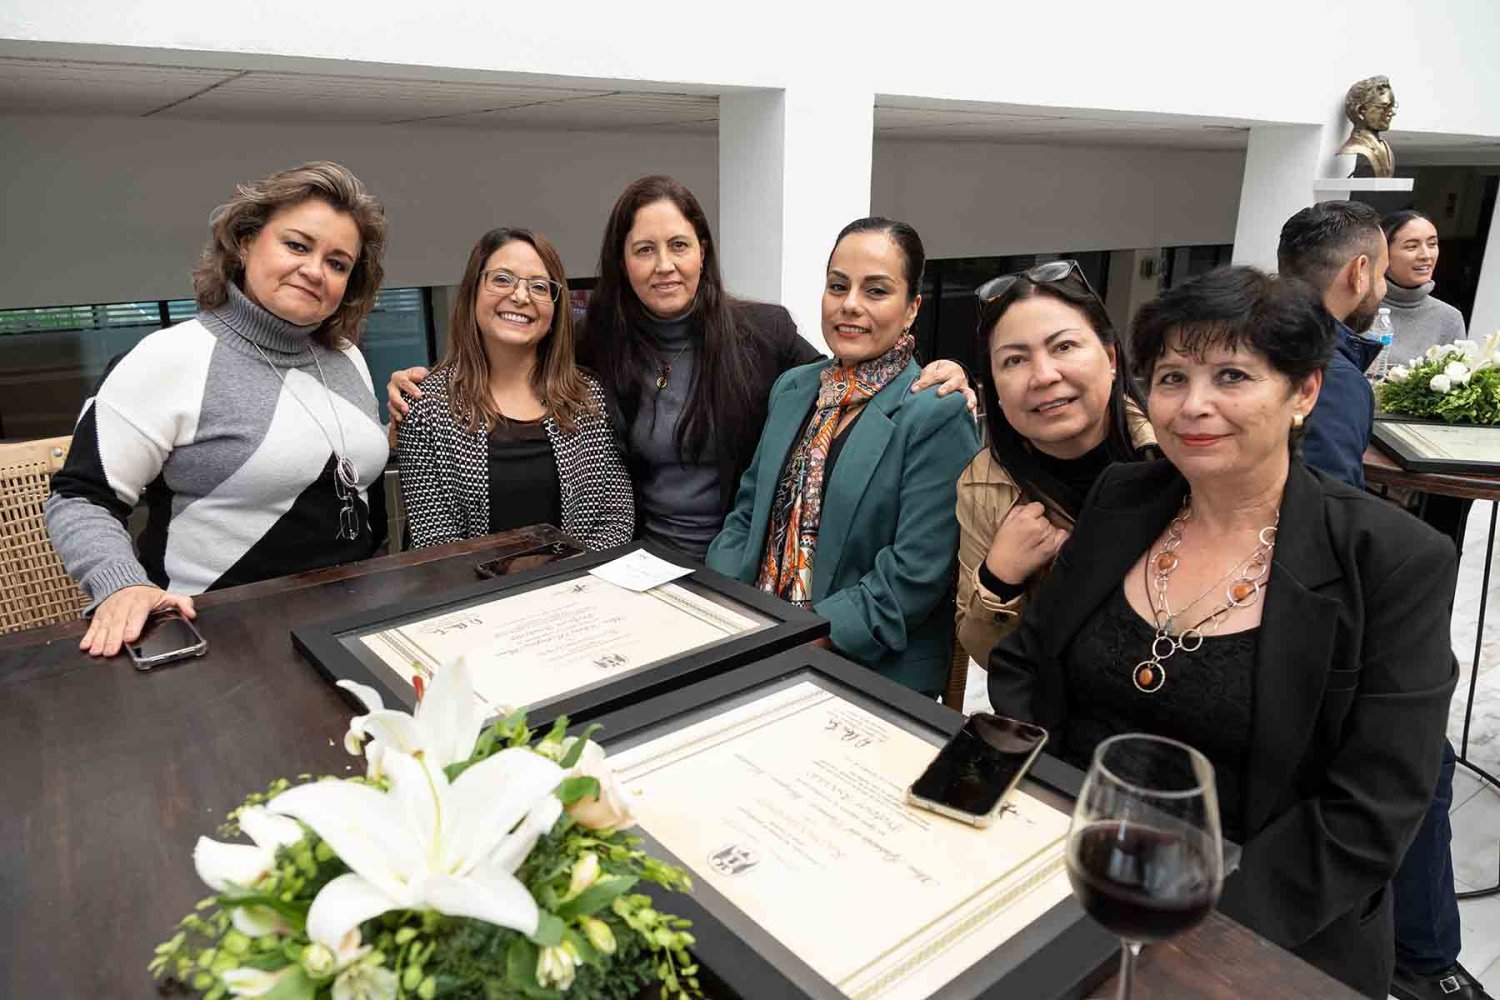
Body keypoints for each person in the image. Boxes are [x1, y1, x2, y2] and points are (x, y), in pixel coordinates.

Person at [988, 267, 1457, 998]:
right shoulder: (1125, 497)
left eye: (1232, 375)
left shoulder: (1391, 560)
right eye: (1172, 378)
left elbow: (1372, 811)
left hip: (1260, 932)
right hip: (1070, 880)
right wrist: (1044, 819)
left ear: (1304, 392)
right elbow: (1026, 662)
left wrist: (1190, 922)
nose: (1193, 406)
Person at [386, 175, 971, 562]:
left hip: (739, 566)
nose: (663, 265)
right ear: (622, 262)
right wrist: (426, 383)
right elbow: (513, 351)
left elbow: (844, 382)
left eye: (679, 246)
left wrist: (942, 373)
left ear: (702, 252)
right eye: (644, 249)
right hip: (637, 570)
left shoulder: (761, 334)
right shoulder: (597, 346)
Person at [46, 161, 391, 657]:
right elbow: (81, 497)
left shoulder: (347, 357)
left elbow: (344, 473)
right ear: (246, 242)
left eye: (338, 264)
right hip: (220, 635)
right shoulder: (166, 358)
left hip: (353, 622)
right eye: (297, 246)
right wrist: (121, 584)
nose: (315, 270)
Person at [1286, 204, 1487, 1000]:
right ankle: (1425, 961)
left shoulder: (1278, 341)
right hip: (1321, 623)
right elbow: (1329, 519)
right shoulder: (1326, 374)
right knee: (1421, 762)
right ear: (1362, 271)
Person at [707, 218, 979, 696]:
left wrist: (795, 639)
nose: (850, 304)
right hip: (757, 637)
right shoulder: (794, 389)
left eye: (876, 291)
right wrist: (725, 604)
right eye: (838, 286)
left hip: (864, 669)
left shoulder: (936, 411)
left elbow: (913, 577)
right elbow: (747, 513)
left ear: (912, 308)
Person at [955, 260, 1156, 665]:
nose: (1044, 376)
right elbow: (984, 654)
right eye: (1014, 360)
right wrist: (999, 579)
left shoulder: (1175, 455)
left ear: (1111, 357)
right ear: (994, 389)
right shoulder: (984, 486)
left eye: (1063, 347)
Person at [395, 228, 632, 551]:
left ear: (555, 307)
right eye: (502, 279)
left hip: (578, 581)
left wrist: (570, 577)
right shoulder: (425, 405)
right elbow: (435, 542)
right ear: (473, 290)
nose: (521, 297)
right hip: (467, 583)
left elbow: (615, 519)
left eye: (539, 286)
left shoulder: (589, 398)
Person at [1276, 200, 1386, 489]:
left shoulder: (1247, 339)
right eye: (1382, 275)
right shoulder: (1334, 378)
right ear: (1359, 272)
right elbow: (1330, 500)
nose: (1383, 288)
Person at [1382, 209, 1466, 363]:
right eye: (1412, 246)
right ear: (1384, 252)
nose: (1426, 255)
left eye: (1432, 244)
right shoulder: (1356, 305)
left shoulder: (1450, 319)